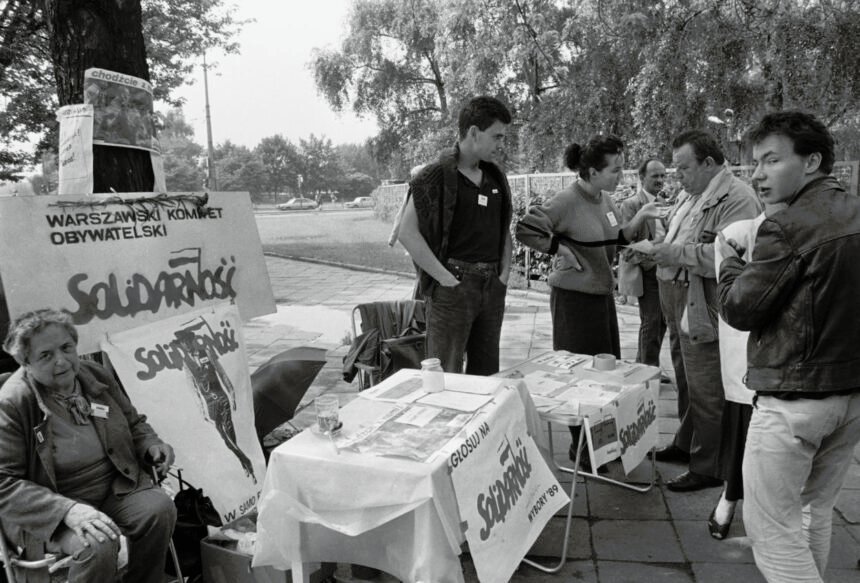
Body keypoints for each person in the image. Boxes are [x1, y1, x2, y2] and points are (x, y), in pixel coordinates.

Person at [717, 110, 860, 581]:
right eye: (755, 162)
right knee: (813, 512)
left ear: (812, 160)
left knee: (772, 532)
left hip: (794, 398)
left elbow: (739, 309)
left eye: (771, 160)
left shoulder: (787, 227)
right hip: (848, 396)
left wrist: (729, 263)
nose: (757, 174)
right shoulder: (852, 209)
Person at [0, 309, 177, 583]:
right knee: (97, 541)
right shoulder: (14, 403)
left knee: (158, 509)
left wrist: (150, 444)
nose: (62, 362)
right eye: (46, 355)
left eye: (66, 348)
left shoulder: (94, 375)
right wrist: (67, 510)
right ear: (26, 363)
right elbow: (3, 482)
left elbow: (133, 423)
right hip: (53, 505)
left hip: (114, 487)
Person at [515, 136, 661, 466]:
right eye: (615, 170)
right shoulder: (566, 200)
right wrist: (559, 248)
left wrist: (643, 216)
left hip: (600, 298)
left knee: (606, 375)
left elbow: (618, 236)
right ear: (593, 172)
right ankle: (580, 448)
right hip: (574, 301)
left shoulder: (604, 199)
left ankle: (601, 445)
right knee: (578, 378)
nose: (620, 177)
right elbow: (526, 228)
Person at [638, 130, 760, 492]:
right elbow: (682, 240)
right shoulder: (692, 194)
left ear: (709, 163)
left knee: (706, 383)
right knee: (686, 378)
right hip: (676, 297)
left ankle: (709, 465)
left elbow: (728, 258)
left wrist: (673, 253)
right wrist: (656, 247)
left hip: (701, 303)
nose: (678, 176)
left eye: (684, 168)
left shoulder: (738, 198)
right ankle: (687, 442)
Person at [397, 96, 513, 375]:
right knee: (446, 375)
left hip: (491, 287)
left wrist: (503, 276)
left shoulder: (495, 177)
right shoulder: (434, 176)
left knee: (486, 374)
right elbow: (406, 232)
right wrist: (446, 279)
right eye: (496, 136)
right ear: (473, 132)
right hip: (453, 289)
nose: (501, 144)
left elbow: (503, 229)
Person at [709, 200, 787, 540]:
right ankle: (730, 496)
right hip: (748, 355)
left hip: (794, 363)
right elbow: (735, 300)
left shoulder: (816, 232)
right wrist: (731, 260)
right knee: (742, 430)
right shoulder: (738, 234)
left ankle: (775, 511)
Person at [619, 158, 670, 367]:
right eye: (655, 176)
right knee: (651, 322)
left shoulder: (665, 203)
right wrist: (652, 255)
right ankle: (647, 371)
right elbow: (625, 245)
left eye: (662, 175)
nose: (660, 180)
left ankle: (646, 365)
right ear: (642, 178)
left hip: (667, 269)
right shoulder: (631, 205)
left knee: (662, 323)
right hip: (647, 271)